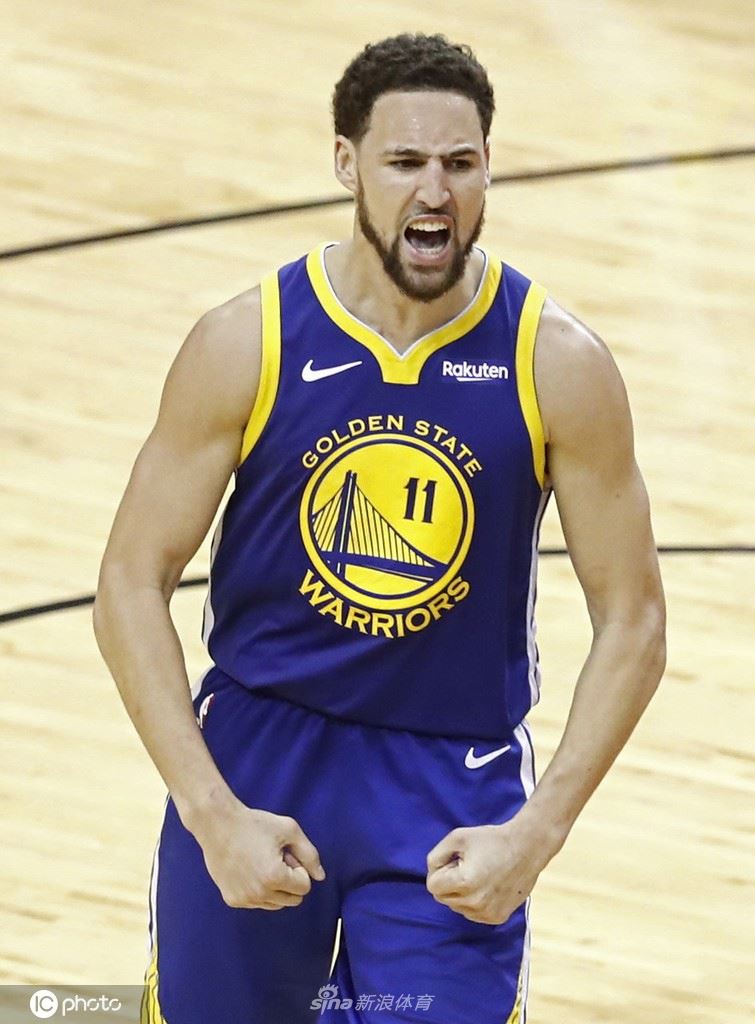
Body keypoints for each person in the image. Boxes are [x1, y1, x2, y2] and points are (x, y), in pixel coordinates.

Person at [93, 33, 666, 1024]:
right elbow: (128, 584)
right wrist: (209, 809)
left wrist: (537, 831)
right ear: (346, 163)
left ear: (488, 168)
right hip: (257, 759)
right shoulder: (248, 340)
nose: (433, 192)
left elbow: (635, 621)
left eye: (459, 163)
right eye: (404, 162)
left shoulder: (557, 364)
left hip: (448, 786)